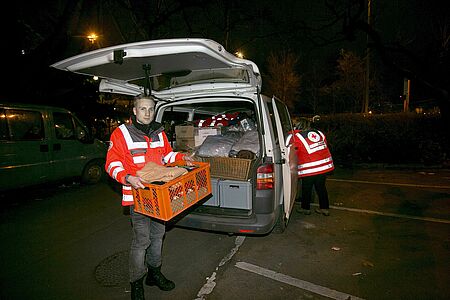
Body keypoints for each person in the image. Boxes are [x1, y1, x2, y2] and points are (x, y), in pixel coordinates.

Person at [105, 95, 192, 300]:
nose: (147, 113)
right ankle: (136, 282)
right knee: (141, 241)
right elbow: (111, 163)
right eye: (142, 109)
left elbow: (166, 157)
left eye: (151, 109)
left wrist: (181, 157)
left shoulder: (158, 132)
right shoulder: (122, 133)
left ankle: (154, 273)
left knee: (158, 236)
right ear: (134, 111)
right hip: (139, 196)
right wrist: (127, 177)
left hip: (160, 196)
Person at [291, 117, 334, 216]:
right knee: (321, 188)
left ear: (298, 125)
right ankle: (325, 208)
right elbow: (324, 146)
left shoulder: (296, 136)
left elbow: (294, 150)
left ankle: (305, 208)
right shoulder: (319, 133)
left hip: (309, 168)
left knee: (307, 188)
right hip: (323, 166)